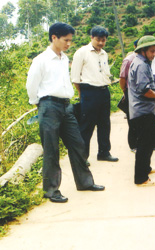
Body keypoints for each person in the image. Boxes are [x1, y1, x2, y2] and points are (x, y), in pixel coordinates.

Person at [26, 22, 105, 203]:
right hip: (48, 106)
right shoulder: (41, 60)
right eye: (66, 40)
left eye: (70, 40)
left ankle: (85, 182)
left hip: (66, 106)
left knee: (77, 144)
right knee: (51, 150)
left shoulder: (63, 59)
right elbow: (32, 85)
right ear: (54, 37)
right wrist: (39, 104)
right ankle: (52, 190)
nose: (68, 44)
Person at [71, 26, 118, 164]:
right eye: (98, 40)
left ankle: (104, 152)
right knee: (87, 125)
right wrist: (82, 94)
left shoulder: (104, 54)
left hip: (104, 91)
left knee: (105, 124)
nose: (101, 43)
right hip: (89, 91)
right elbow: (75, 78)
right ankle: (82, 157)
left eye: (103, 40)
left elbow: (106, 73)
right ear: (91, 38)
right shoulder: (82, 53)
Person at [128, 35, 155, 186]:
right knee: (144, 145)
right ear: (143, 50)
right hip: (142, 112)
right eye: (152, 51)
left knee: (150, 142)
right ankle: (141, 178)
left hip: (145, 111)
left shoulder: (142, 62)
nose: (154, 54)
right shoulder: (141, 65)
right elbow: (144, 90)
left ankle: (146, 168)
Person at [119, 39, 138, 152]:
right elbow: (122, 78)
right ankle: (133, 145)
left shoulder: (145, 59)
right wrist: (124, 91)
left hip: (140, 93)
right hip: (130, 92)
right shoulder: (128, 60)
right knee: (132, 120)